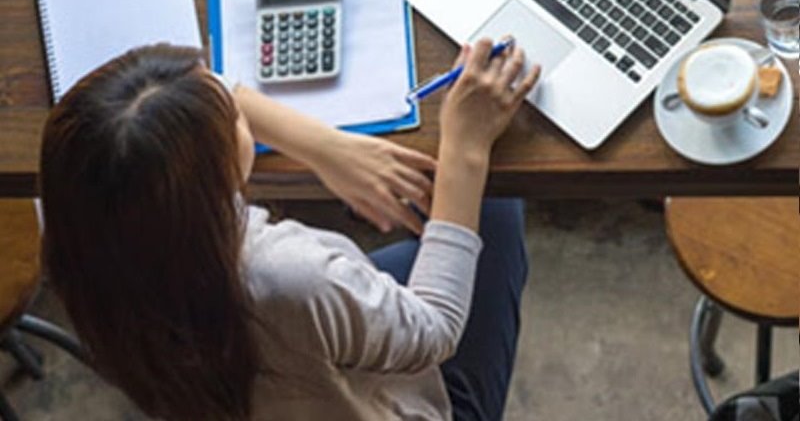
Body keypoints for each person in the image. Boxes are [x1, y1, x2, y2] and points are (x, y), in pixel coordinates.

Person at [39, 39, 540, 420]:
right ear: (213, 181)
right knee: (493, 206)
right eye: (234, 118)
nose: (241, 105)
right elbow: (434, 329)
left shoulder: (92, 243)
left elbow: (194, 100)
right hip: (400, 398)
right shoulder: (289, 277)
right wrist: (464, 144)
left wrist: (326, 149)